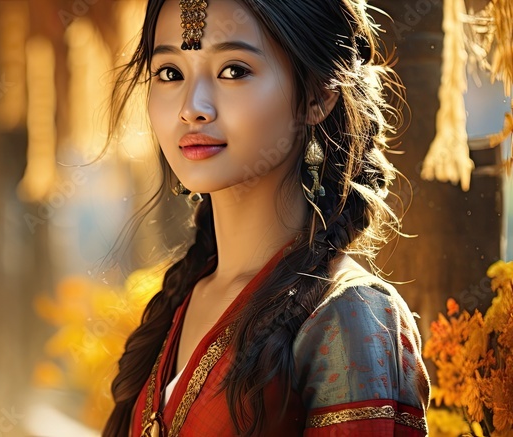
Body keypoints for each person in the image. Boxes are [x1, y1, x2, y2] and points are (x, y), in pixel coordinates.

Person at [100, 0, 431, 435]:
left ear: (316, 95)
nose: (191, 108)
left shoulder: (349, 316)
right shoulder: (184, 296)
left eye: (234, 70)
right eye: (170, 73)